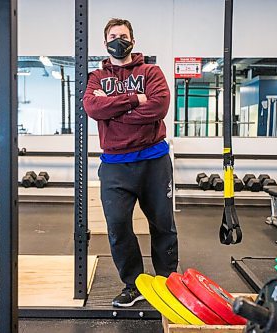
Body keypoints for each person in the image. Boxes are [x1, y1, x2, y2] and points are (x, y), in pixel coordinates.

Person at [83, 18, 178, 308]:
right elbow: (91, 106)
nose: (118, 40)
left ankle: (167, 282)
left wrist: (113, 110)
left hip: (154, 161)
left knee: (163, 224)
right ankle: (134, 284)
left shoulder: (151, 71)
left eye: (123, 36)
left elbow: (159, 107)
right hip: (114, 165)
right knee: (118, 227)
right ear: (105, 42)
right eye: (113, 36)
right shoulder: (97, 77)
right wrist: (135, 99)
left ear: (133, 41)